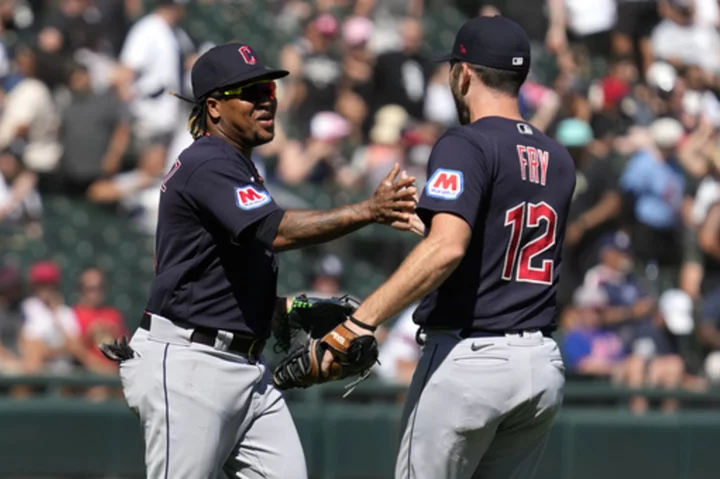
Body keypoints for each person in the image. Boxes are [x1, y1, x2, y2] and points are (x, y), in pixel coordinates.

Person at [114, 42, 417, 479]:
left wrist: (281, 312)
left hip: (243, 368)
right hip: (189, 364)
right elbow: (273, 231)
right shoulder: (207, 161)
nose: (265, 101)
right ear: (215, 108)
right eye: (251, 92)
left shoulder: (236, 166)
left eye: (269, 91)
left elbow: (218, 275)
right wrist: (369, 210)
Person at [320, 16, 576, 478]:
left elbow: (449, 249)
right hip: (540, 364)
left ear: (463, 73)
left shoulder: (466, 141)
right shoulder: (558, 156)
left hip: (473, 359)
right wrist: (435, 224)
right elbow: (502, 236)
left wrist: (362, 321)